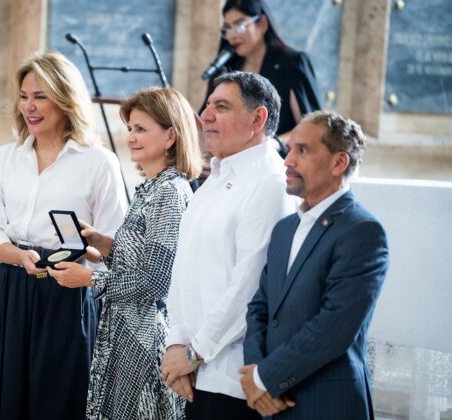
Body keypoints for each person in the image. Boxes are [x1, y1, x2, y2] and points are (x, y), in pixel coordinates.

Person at [0, 51, 127, 420]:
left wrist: (88, 250)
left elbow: (115, 246)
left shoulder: (99, 162)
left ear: (66, 99)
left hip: (68, 294)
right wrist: (19, 256)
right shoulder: (4, 159)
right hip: (8, 291)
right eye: (24, 96)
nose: (29, 106)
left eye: (41, 96)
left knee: (58, 403)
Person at [48, 87, 203, 420]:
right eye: (130, 128)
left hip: (144, 341)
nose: (130, 137)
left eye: (141, 129)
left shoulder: (168, 192)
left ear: (171, 136)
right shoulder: (151, 187)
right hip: (125, 332)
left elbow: (156, 281)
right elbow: (146, 259)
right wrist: (105, 244)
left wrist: (90, 279)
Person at [160, 71, 296, 420]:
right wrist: (176, 342)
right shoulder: (214, 179)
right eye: (207, 106)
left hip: (232, 377)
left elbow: (249, 286)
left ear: (257, 119)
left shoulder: (269, 182)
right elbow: (182, 269)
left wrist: (193, 352)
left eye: (221, 107)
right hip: (193, 372)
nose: (205, 116)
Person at [239, 111, 389, 419]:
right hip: (272, 403)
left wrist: (264, 379)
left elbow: (333, 329)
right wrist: (255, 372)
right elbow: (259, 308)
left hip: (327, 403)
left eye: (302, 150)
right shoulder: (284, 229)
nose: (288, 160)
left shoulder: (362, 231)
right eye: (289, 149)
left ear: (339, 162)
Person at [202, 0, 321, 143]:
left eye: (239, 25)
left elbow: (310, 127)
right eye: (227, 28)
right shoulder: (227, 67)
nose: (232, 35)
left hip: (278, 153)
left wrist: (274, 143)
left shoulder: (292, 62)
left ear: (262, 23)